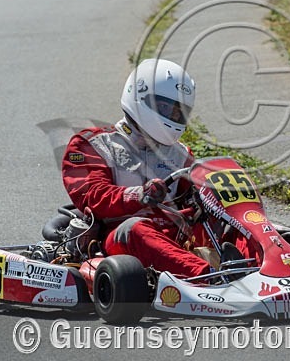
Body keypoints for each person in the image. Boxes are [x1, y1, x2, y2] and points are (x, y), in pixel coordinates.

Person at [61, 58, 212, 278]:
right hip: (116, 239)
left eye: (178, 113)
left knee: (226, 225)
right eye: (165, 108)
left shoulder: (181, 155)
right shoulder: (92, 144)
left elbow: (193, 202)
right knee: (135, 228)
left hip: (176, 239)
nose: (172, 117)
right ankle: (209, 276)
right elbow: (92, 196)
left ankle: (272, 266)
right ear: (139, 96)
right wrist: (138, 195)